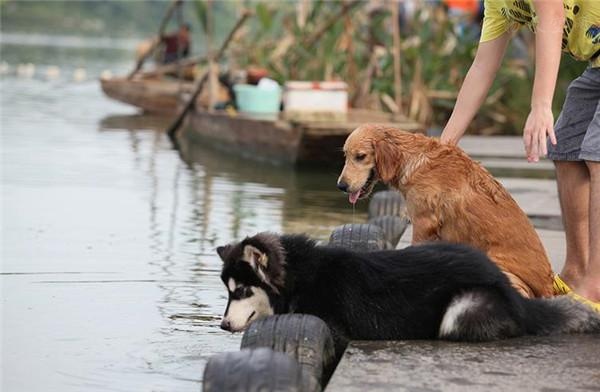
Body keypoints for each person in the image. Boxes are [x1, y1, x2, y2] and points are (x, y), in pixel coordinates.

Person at [440, 0, 600, 310]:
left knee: (597, 153)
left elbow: (551, 12)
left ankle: (595, 283)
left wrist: (540, 105)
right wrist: (443, 148)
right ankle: (577, 270)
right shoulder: (498, 6)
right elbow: (483, 67)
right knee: (566, 145)